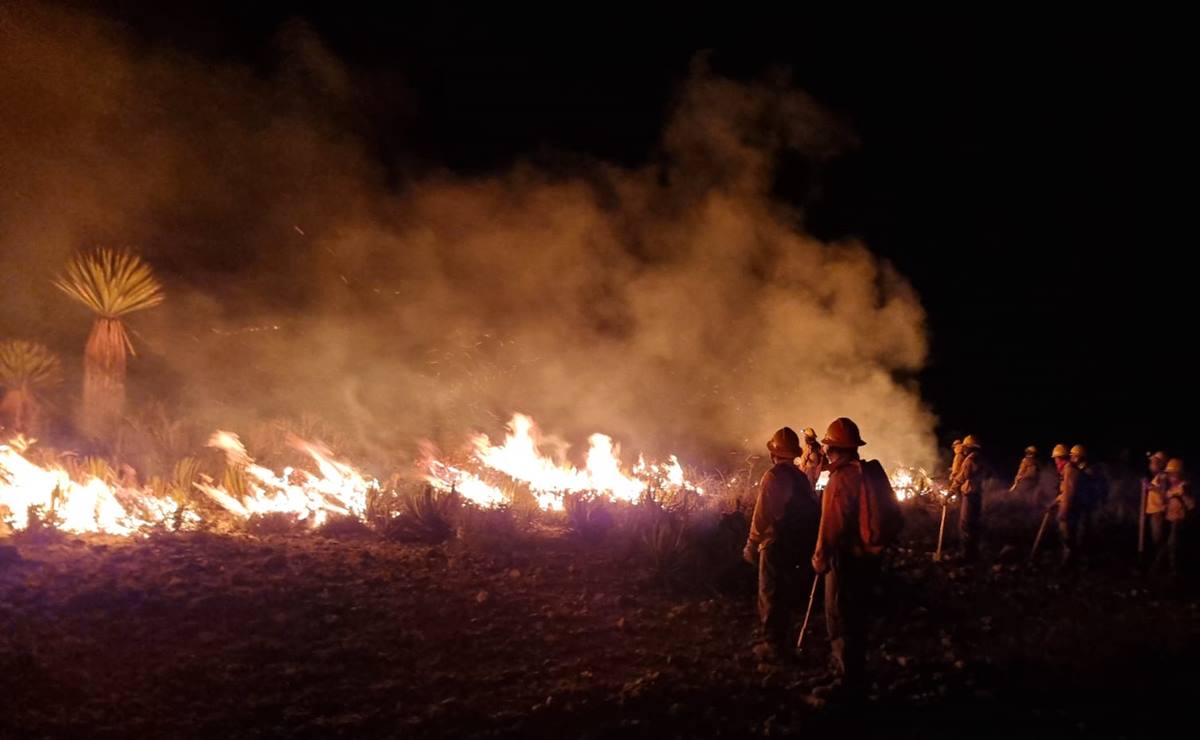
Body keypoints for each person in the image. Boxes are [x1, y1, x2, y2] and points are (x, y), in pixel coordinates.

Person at [810, 417, 879, 701]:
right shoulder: (864, 472)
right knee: (856, 618)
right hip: (865, 559)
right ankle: (850, 673)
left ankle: (846, 683)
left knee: (839, 617)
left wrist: (820, 556)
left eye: (828, 445)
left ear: (834, 447)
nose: (825, 450)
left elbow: (831, 524)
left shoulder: (840, 479)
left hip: (844, 560)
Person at [743, 427, 820, 661]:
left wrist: (751, 543)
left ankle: (772, 646)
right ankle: (779, 640)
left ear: (773, 453)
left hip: (774, 544)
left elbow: (762, 514)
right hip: (796, 546)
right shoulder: (800, 476)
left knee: (770, 594)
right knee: (783, 594)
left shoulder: (774, 476)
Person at [949, 435, 986, 561]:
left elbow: (961, 477)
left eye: (965, 447)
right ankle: (974, 553)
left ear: (969, 448)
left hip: (969, 495)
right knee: (974, 525)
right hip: (977, 495)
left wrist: (949, 493)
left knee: (965, 525)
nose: (963, 450)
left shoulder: (970, 460)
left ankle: (966, 556)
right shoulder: (980, 459)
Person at [1052, 444, 1083, 565]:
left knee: (1067, 534)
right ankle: (1070, 558)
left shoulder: (1069, 470)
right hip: (1069, 506)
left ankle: (1069, 561)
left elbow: (1069, 492)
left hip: (1070, 508)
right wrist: (1054, 502)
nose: (1055, 462)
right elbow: (1063, 491)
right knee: (1066, 533)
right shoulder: (1066, 470)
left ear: (1061, 458)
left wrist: (1063, 510)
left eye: (1056, 458)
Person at [1162, 458, 1194, 574]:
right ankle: (1171, 569)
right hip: (1169, 520)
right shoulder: (1171, 489)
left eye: (1173, 474)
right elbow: (1167, 503)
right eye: (1169, 475)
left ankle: (1175, 571)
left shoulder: (1184, 487)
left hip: (1179, 521)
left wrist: (1183, 494)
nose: (1171, 477)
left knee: (1173, 546)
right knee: (1169, 545)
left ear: (1180, 473)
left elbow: (1191, 505)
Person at [1144, 452, 1169, 569]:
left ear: (1160, 464)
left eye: (1153, 462)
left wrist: (1150, 486)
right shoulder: (1158, 476)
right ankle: (1160, 561)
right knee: (1155, 538)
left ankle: (1161, 563)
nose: (1150, 464)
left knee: (1158, 538)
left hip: (1158, 511)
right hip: (1154, 511)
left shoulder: (1163, 476)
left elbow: (1164, 493)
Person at [799, 427, 826, 492]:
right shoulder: (818, 448)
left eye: (805, 436)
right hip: (814, 473)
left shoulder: (809, 448)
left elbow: (803, 462)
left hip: (807, 472)